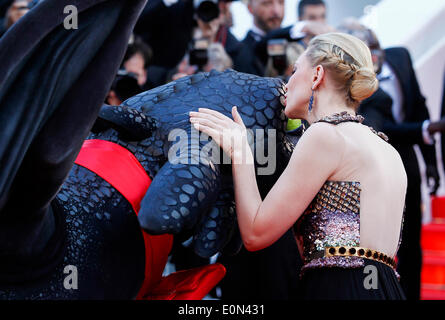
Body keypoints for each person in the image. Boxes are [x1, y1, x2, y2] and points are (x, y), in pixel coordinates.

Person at [190, 32, 407, 299]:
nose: (287, 83)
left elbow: (256, 234)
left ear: (317, 75)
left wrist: (239, 148)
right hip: (385, 289)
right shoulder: (387, 149)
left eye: (294, 71)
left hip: (339, 289)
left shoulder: (325, 135)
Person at [337, 19, 440, 300]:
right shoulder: (355, 90)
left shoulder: (401, 57)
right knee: (380, 245)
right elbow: (377, 127)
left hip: (408, 164)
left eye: (374, 49)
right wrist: (425, 130)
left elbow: (419, 107)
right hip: (371, 173)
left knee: (412, 244)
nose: (373, 58)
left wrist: (430, 161)